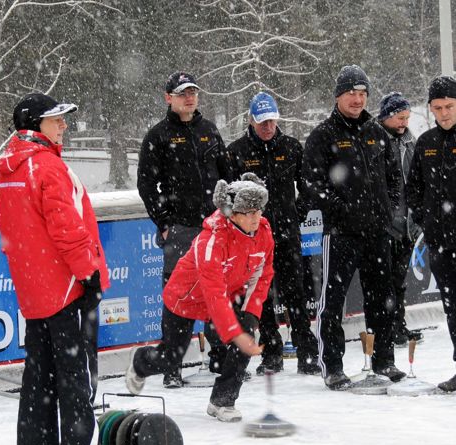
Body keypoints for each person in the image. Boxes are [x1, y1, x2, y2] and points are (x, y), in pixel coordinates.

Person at [0, 93, 115, 445]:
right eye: (56, 119)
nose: (63, 125)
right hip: (65, 288)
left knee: (39, 380)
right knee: (75, 378)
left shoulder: (9, 168)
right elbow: (67, 229)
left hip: (35, 290)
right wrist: (89, 274)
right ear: (34, 126)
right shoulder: (45, 166)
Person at [126, 174, 273, 422]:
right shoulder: (212, 239)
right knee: (171, 357)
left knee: (247, 332)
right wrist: (234, 332)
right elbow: (212, 291)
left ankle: (222, 400)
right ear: (232, 213)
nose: (256, 218)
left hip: (225, 299)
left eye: (258, 211)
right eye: (249, 212)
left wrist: (250, 316)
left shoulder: (263, 232)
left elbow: (263, 275)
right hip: (186, 298)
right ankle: (141, 362)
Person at [301, 65, 404, 390]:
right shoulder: (323, 135)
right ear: (338, 96)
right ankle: (333, 367)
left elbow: (393, 180)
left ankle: (384, 361)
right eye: (351, 94)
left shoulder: (377, 133)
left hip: (377, 233)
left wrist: (388, 214)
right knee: (333, 302)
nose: (357, 99)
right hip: (341, 233)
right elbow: (312, 184)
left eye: (362, 94)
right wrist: (342, 211)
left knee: (382, 299)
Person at [137, 71, 231, 387]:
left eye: (193, 92)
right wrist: (164, 224)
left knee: (218, 292)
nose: (189, 98)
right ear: (169, 98)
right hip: (180, 230)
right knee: (178, 299)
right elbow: (147, 185)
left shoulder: (209, 130)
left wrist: (228, 216)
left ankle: (220, 359)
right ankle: (171, 366)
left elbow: (226, 176)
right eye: (182, 93)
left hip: (214, 229)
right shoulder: (158, 135)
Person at [227, 92, 320, 376]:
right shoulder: (237, 151)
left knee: (296, 292)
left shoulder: (291, 147)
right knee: (260, 297)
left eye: (271, 121)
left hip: (288, 235)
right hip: (253, 240)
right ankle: (271, 353)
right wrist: (245, 225)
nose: (267, 127)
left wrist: (298, 212)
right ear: (251, 121)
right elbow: (230, 195)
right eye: (261, 122)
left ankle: (307, 352)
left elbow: (308, 185)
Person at [407, 76, 456, 392]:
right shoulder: (425, 143)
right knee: (453, 308)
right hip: (441, 243)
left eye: (450, 106)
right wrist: (428, 221)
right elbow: (413, 190)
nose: (444, 113)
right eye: (438, 108)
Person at [377, 92, 422, 347]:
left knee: (399, 282)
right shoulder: (376, 140)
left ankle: (398, 326)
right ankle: (386, 329)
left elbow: (416, 182)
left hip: (406, 225)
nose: (403, 122)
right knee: (384, 284)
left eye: (406, 117)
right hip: (385, 225)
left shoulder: (410, 143)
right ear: (386, 117)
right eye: (398, 117)